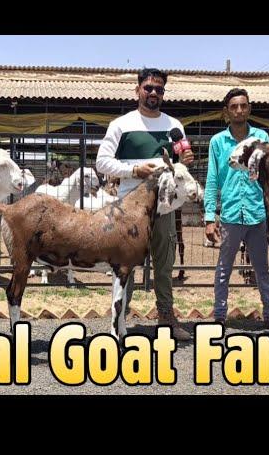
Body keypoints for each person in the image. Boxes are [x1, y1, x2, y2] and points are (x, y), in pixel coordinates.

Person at [96, 68, 194, 341]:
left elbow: (177, 160)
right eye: (148, 88)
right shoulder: (122, 124)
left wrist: (183, 162)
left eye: (159, 89)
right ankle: (119, 322)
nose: (153, 93)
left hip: (164, 208)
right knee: (125, 265)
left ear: (163, 93)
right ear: (138, 90)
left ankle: (167, 320)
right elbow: (101, 162)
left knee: (164, 265)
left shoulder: (174, 125)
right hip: (129, 208)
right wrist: (133, 170)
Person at [204, 88, 269, 332]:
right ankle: (219, 315)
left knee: (262, 269)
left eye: (243, 105)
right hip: (230, 214)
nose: (239, 110)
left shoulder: (261, 137)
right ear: (226, 111)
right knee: (223, 269)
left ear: (249, 108)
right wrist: (209, 216)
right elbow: (212, 179)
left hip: (256, 212)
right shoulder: (217, 142)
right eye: (234, 106)